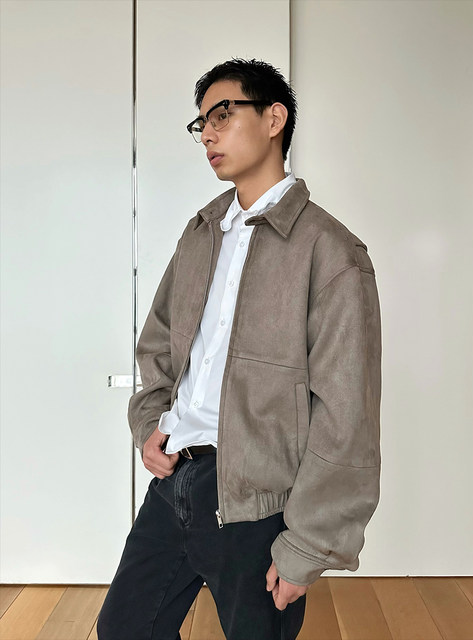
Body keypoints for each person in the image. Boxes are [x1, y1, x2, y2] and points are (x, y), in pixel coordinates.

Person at [97, 58, 382, 640]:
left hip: (258, 504)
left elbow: (346, 415)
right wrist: (150, 422)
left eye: (223, 114)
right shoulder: (201, 232)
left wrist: (308, 543)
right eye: (201, 122)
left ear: (274, 119)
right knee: (124, 629)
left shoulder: (331, 252)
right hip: (175, 480)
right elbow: (159, 342)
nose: (208, 133)